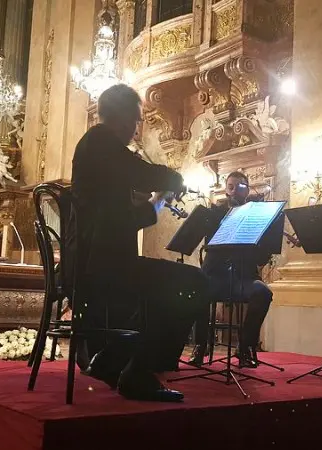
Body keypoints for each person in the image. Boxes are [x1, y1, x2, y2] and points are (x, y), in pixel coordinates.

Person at [63, 84, 211, 403]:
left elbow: (120, 218)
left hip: (96, 260)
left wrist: (153, 203)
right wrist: (172, 184)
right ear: (123, 116)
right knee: (195, 282)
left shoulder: (97, 149)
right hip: (102, 265)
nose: (137, 126)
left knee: (163, 289)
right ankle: (138, 372)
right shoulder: (101, 142)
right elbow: (147, 175)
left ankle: (113, 359)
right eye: (136, 118)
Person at [187, 172, 273, 368]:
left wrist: (265, 245)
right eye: (231, 186)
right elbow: (208, 245)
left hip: (243, 278)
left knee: (263, 292)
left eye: (240, 186)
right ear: (226, 190)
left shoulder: (256, 216)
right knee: (198, 288)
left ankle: (245, 346)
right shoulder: (214, 214)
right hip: (215, 275)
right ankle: (201, 345)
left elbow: (261, 258)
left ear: (247, 190)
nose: (234, 190)